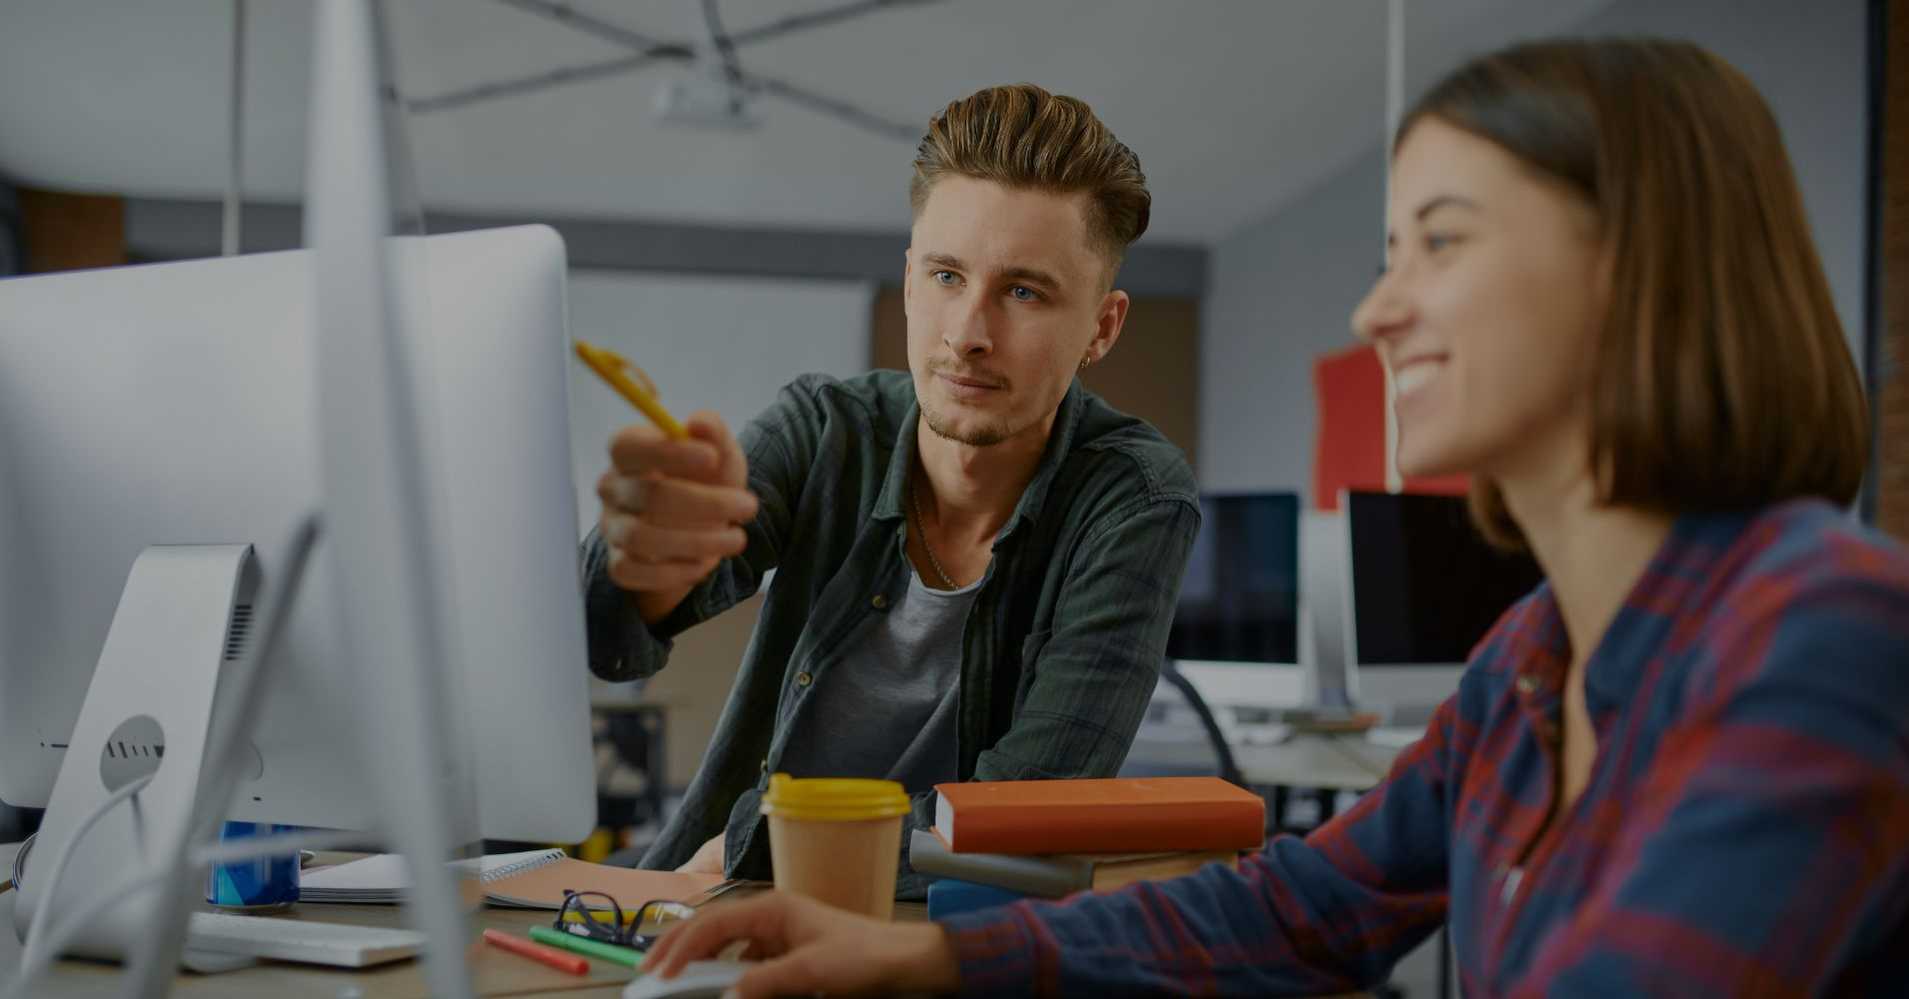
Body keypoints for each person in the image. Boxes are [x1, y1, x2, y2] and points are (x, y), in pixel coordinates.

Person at [641, 37, 1909, 997]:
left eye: (1441, 244)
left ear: (1641, 279)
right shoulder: (1533, 661)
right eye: (1385, 256)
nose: (1375, 314)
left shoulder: (1826, 631)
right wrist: (916, 963)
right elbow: (1301, 905)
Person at [583, 83, 1200, 895]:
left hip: (933, 937)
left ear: (1102, 327)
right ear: (910, 280)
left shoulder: (1135, 499)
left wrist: (757, 845)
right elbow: (605, 635)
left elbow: (1029, 807)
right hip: (705, 903)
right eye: (946, 275)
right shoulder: (823, 427)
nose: (967, 334)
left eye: (1023, 291)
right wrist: (639, 572)